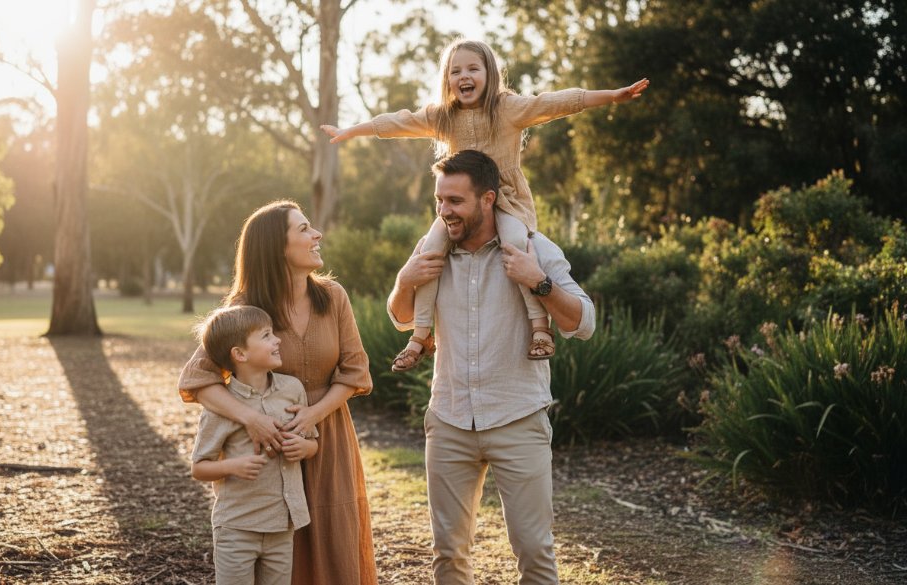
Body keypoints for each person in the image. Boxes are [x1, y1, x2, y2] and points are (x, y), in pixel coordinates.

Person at [322, 37, 644, 371]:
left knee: (517, 243)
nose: (464, 76)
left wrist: (612, 96)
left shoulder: (507, 108)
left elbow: (554, 103)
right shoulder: (443, 117)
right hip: (464, 205)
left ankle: (539, 328)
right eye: (455, 70)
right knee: (429, 251)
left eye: (473, 68)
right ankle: (419, 336)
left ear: (489, 74)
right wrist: (351, 130)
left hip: (505, 201)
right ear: (447, 79)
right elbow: (399, 121)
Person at [387, 150, 596, 584]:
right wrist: (405, 280)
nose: (445, 211)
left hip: (517, 418)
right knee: (447, 552)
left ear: (488, 198)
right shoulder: (431, 250)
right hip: (448, 420)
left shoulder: (534, 248)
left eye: (455, 201)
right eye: (440, 201)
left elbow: (584, 323)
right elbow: (401, 317)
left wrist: (538, 281)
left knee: (535, 552)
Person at [177, 201, 377, 585]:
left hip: (326, 438)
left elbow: (355, 372)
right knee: (283, 556)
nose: (316, 235)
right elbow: (197, 380)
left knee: (334, 539)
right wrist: (252, 419)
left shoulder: (333, 297)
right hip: (266, 450)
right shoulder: (244, 310)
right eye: (303, 229)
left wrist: (313, 415)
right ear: (275, 247)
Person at [190, 305, 319, 585]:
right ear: (240, 354)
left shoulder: (292, 390)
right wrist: (232, 466)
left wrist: (303, 448)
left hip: (281, 526)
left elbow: (312, 444)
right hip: (237, 527)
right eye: (266, 336)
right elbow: (199, 468)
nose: (278, 340)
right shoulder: (222, 406)